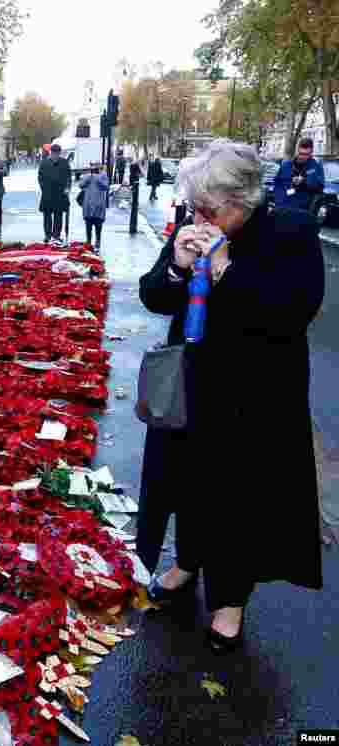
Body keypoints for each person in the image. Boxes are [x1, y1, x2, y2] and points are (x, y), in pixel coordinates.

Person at [137, 140, 323, 652]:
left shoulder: (291, 232)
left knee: (240, 497)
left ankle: (231, 599)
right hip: (193, 384)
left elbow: (289, 313)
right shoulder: (194, 226)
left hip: (255, 395)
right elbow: (154, 294)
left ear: (243, 200)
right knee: (187, 481)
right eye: (194, 207)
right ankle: (187, 561)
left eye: (209, 208)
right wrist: (176, 264)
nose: (199, 217)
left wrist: (223, 267)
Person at [274, 137, 324, 212]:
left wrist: (304, 181)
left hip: (302, 209)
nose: (302, 157)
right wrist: (278, 201)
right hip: (282, 207)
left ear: (311, 152)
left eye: (306, 154)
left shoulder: (315, 166)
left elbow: (320, 187)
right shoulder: (286, 165)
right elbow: (277, 183)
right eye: (301, 154)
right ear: (297, 150)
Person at [38, 143, 71, 245]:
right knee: (47, 216)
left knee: (58, 216)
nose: (55, 156)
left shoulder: (64, 163)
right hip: (47, 194)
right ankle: (48, 236)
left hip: (60, 194)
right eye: (54, 153)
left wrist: (67, 188)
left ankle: (56, 235)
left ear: (59, 153)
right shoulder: (44, 163)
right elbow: (40, 177)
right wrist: (44, 188)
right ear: (51, 153)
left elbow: (68, 177)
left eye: (57, 154)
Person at [78, 164, 109, 248]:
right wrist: (88, 178)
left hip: (99, 205)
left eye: (96, 167)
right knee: (88, 224)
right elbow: (80, 185)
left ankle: (98, 240)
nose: (94, 168)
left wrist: (97, 178)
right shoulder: (87, 176)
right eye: (92, 166)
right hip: (88, 204)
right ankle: (88, 240)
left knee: (98, 224)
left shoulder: (103, 175)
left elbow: (106, 186)